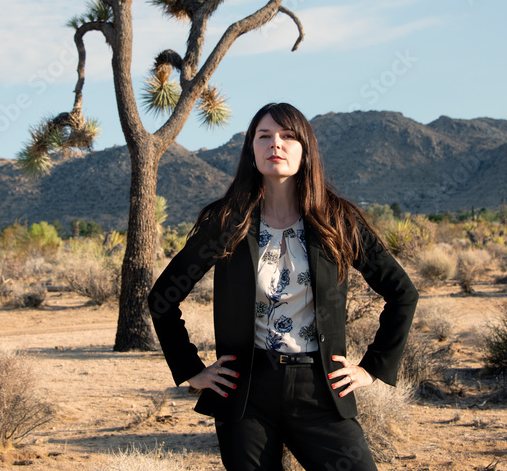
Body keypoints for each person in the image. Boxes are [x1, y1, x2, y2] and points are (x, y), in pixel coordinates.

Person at [148, 102, 418, 471]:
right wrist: (192, 370)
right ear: (252, 150)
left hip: (320, 389)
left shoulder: (337, 220)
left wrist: (372, 368)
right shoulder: (227, 221)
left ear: (305, 150)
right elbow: (163, 297)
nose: (276, 143)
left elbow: (402, 292)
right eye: (264, 136)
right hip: (246, 394)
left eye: (288, 136)